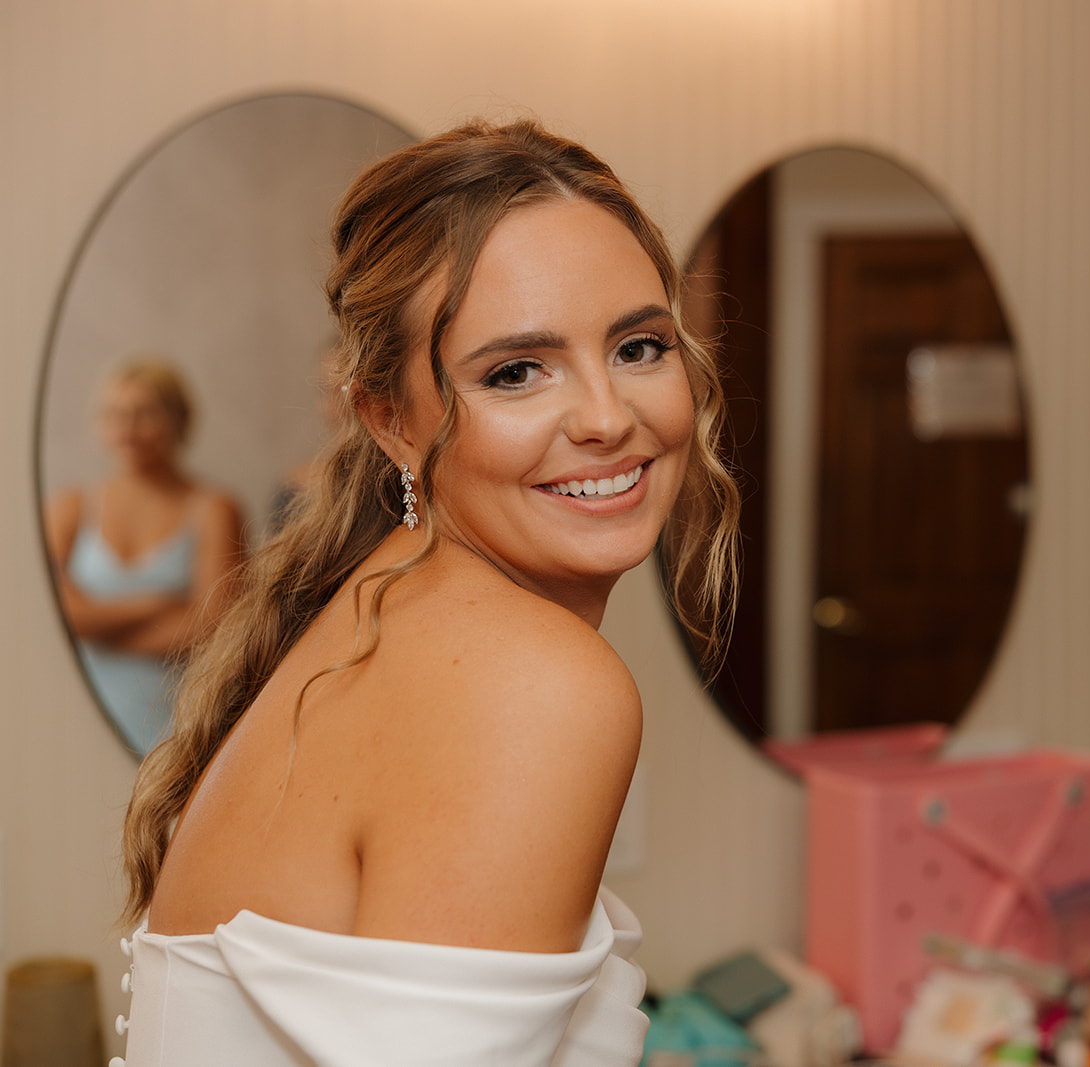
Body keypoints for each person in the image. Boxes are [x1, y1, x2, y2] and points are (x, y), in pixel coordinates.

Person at [112, 118, 740, 1067]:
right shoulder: (537, 682)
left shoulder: (366, 617)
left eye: (639, 347)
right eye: (517, 371)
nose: (609, 417)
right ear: (390, 418)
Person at [45, 359, 246, 755]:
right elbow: (57, 613)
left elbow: (214, 629)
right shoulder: (70, 508)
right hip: (77, 708)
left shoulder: (214, 509)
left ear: (180, 420)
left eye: (144, 412)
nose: (128, 427)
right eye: (114, 414)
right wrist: (156, 603)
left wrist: (94, 631)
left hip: (174, 716)